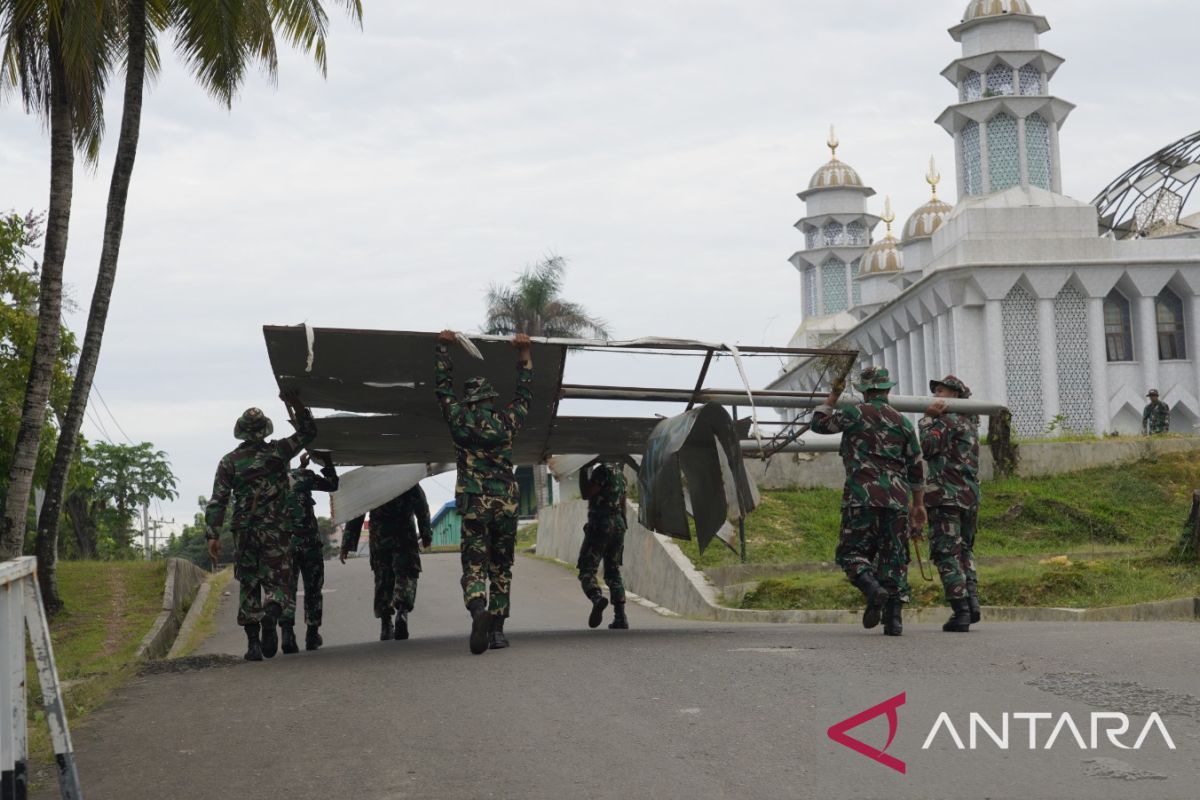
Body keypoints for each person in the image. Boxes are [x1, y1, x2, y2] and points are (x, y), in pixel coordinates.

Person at [435, 329, 533, 654]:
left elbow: (442, 389)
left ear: (469, 399)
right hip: (505, 502)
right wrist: (524, 356)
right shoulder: (506, 421)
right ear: (490, 398)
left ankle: (478, 609)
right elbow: (524, 396)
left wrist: (444, 350)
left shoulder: (458, 418)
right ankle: (497, 632)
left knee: (475, 564)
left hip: (474, 502)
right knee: (502, 566)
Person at [811, 367, 926, 637]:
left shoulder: (853, 414)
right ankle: (894, 621)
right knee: (894, 558)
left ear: (864, 390)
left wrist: (833, 397)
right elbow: (917, 468)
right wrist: (918, 505)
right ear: (887, 389)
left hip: (860, 497)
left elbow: (818, 424)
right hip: (897, 502)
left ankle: (873, 589)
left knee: (851, 553)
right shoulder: (903, 423)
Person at [205, 391, 317, 661]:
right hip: (276, 528)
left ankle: (253, 645)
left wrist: (212, 535)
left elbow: (218, 500)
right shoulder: (279, 451)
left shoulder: (229, 462)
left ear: (241, 432)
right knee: (280, 579)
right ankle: (272, 612)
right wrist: (296, 403)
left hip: (244, 531)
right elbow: (309, 432)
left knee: (249, 583)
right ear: (265, 429)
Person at [920, 375, 981, 633]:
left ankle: (961, 611)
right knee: (964, 551)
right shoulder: (970, 422)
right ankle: (972, 602)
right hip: (968, 497)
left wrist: (926, 419)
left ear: (954, 395)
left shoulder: (947, 421)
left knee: (947, 553)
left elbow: (927, 445)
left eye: (940, 391)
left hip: (946, 496)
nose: (936, 397)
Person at [340, 485, 433, 641]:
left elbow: (358, 513)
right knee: (406, 574)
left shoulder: (372, 481)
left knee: (383, 579)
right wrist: (426, 533)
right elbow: (421, 505)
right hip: (404, 534)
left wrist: (347, 544)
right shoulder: (406, 476)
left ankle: (385, 625)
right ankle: (402, 612)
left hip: (379, 536)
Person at [279, 452, 339, 653]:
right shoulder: (302, 476)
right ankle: (312, 635)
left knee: (287, 589)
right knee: (313, 588)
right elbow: (332, 484)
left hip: (283, 545)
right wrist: (327, 461)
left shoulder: (267, 482)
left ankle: (287, 633)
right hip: (308, 543)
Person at [577, 460, 630, 630]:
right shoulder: (621, 476)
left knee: (587, 568)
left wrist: (583, 470)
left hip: (601, 524)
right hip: (618, 525)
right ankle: (620, 616)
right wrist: (622, 526)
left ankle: (597, 598)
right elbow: (623, 504)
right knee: (613, 571)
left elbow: (587, 493)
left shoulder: (602, 471)